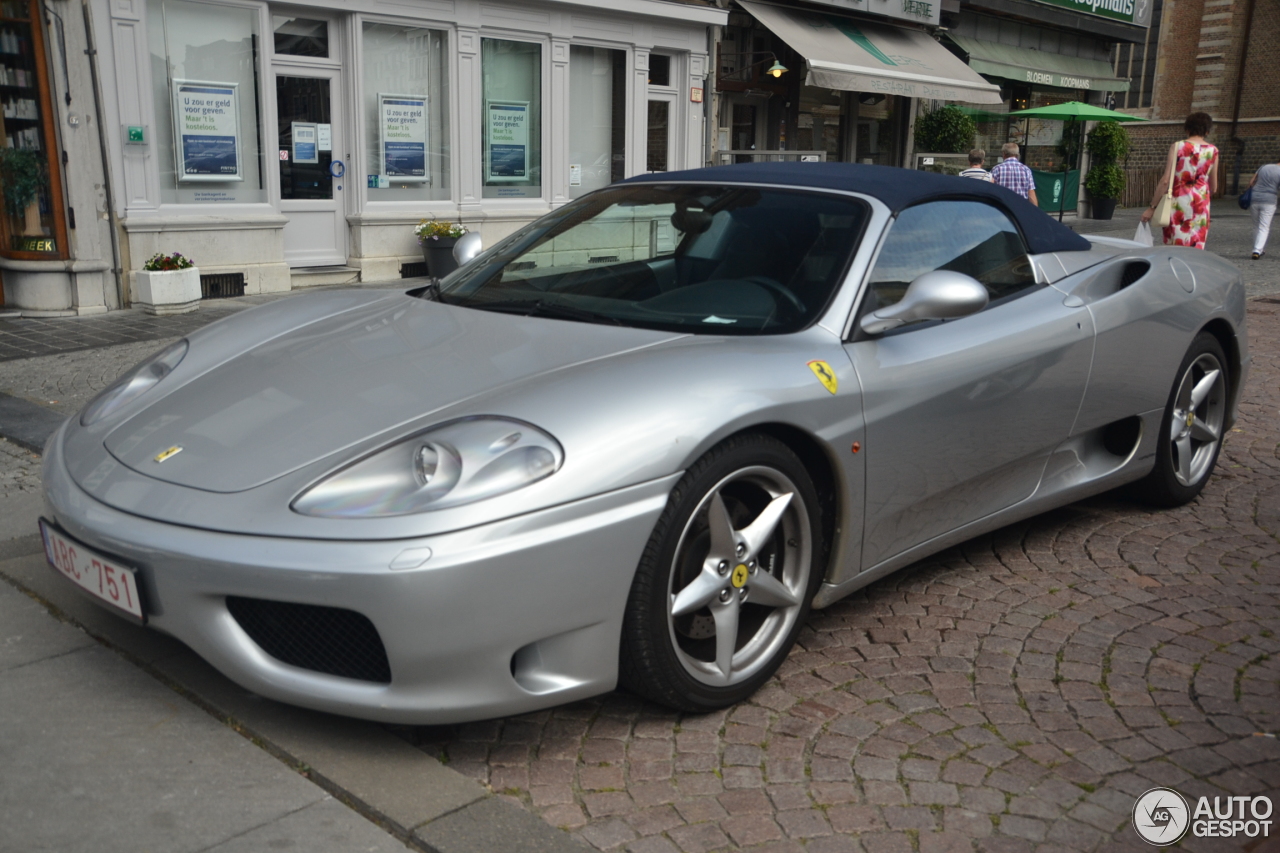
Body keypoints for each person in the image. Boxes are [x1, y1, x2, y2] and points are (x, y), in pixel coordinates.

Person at [1140, 112, 1219, 249]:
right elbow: (1214, 186)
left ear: (1187, 128)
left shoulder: (1178, 146)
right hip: (1201, 204)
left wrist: (1152, 207)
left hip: (1179, 202)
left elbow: (1165, 180)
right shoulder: (1213, 151)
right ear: (1207, 131)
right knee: (1196, 245)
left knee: (1176, 244)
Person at [1245, 157, 1280, 259]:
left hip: (1254, 198)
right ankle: (1257, 250)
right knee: (1264, 226)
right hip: (1269, 200)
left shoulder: (1263, 167)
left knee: (1256, 225)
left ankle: (1259, 248)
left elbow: (1251, 182)